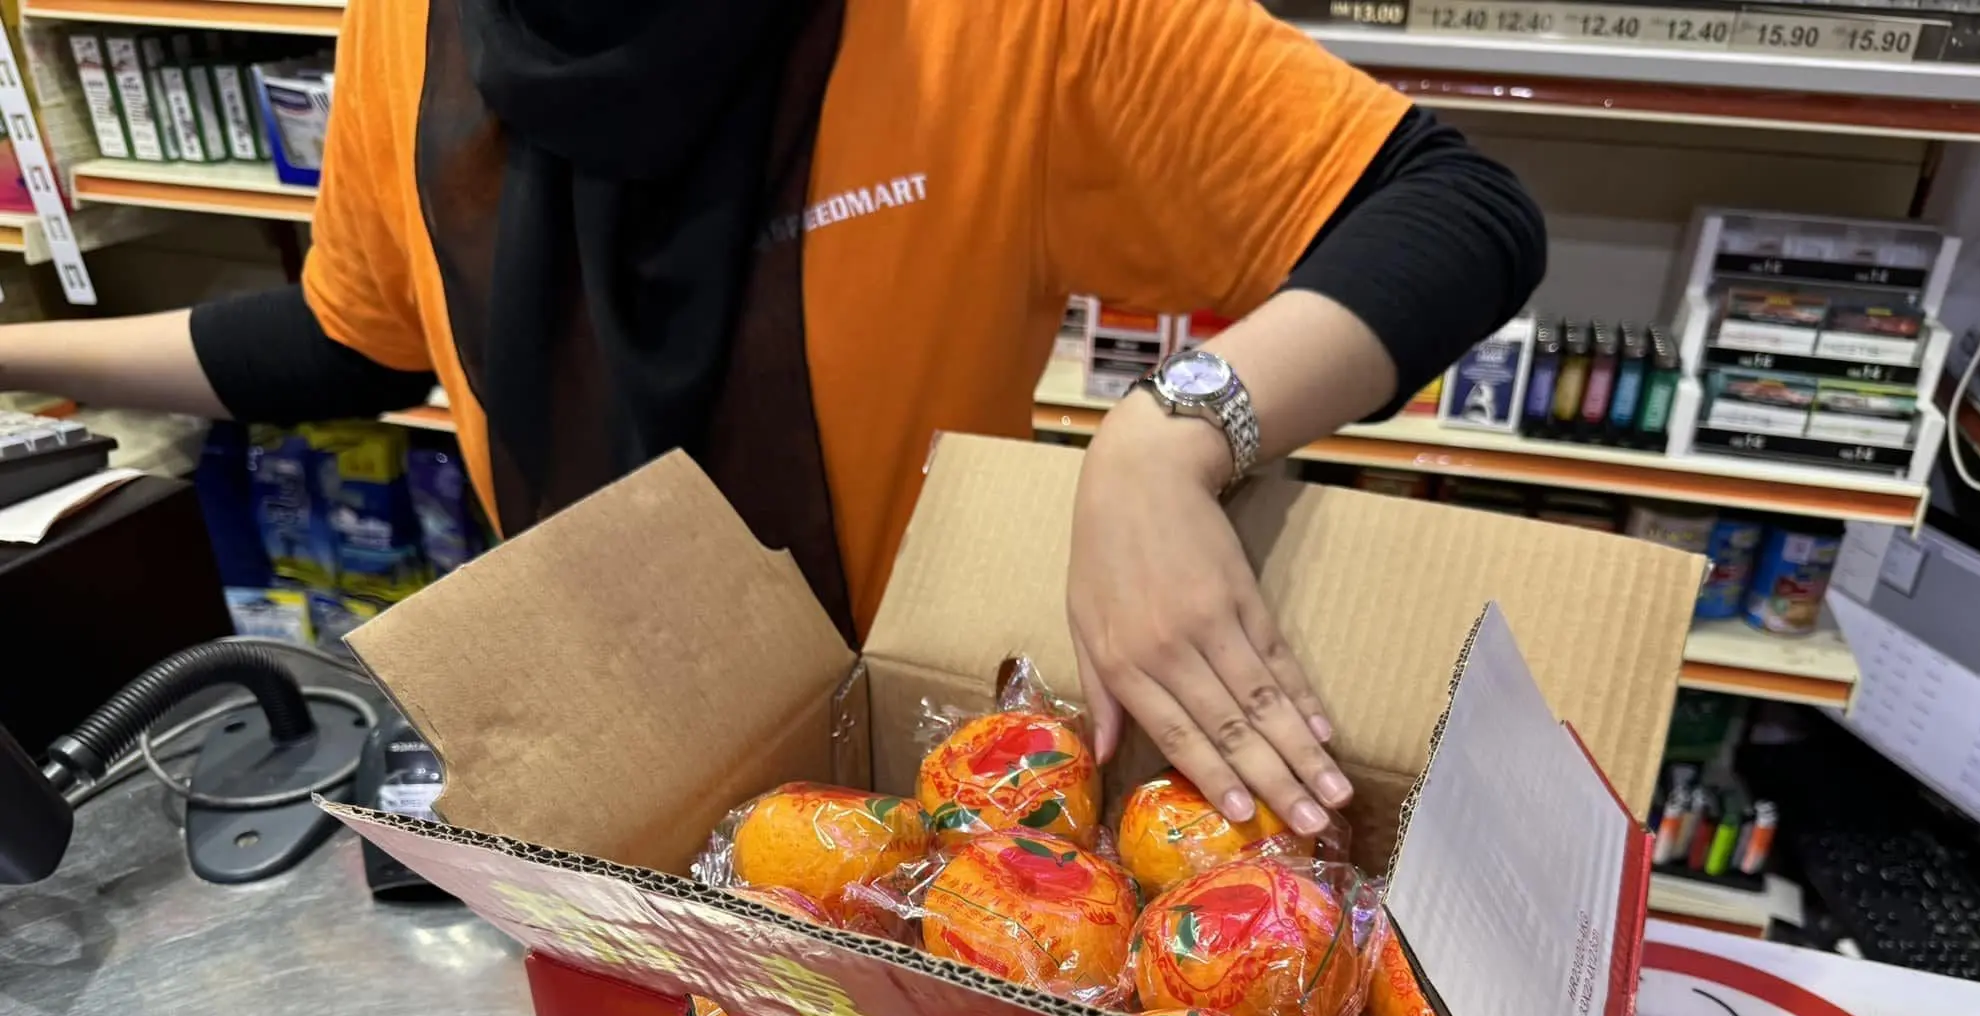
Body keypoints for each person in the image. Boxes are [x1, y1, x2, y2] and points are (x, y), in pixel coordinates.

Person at [7, 0, 1542, 839]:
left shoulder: (1000, 24)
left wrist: (1172, 435)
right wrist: (21, 357)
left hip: (907, 790)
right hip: (575, 760)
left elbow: (1453, 208)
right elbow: (350, 335)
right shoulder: (413, 26)